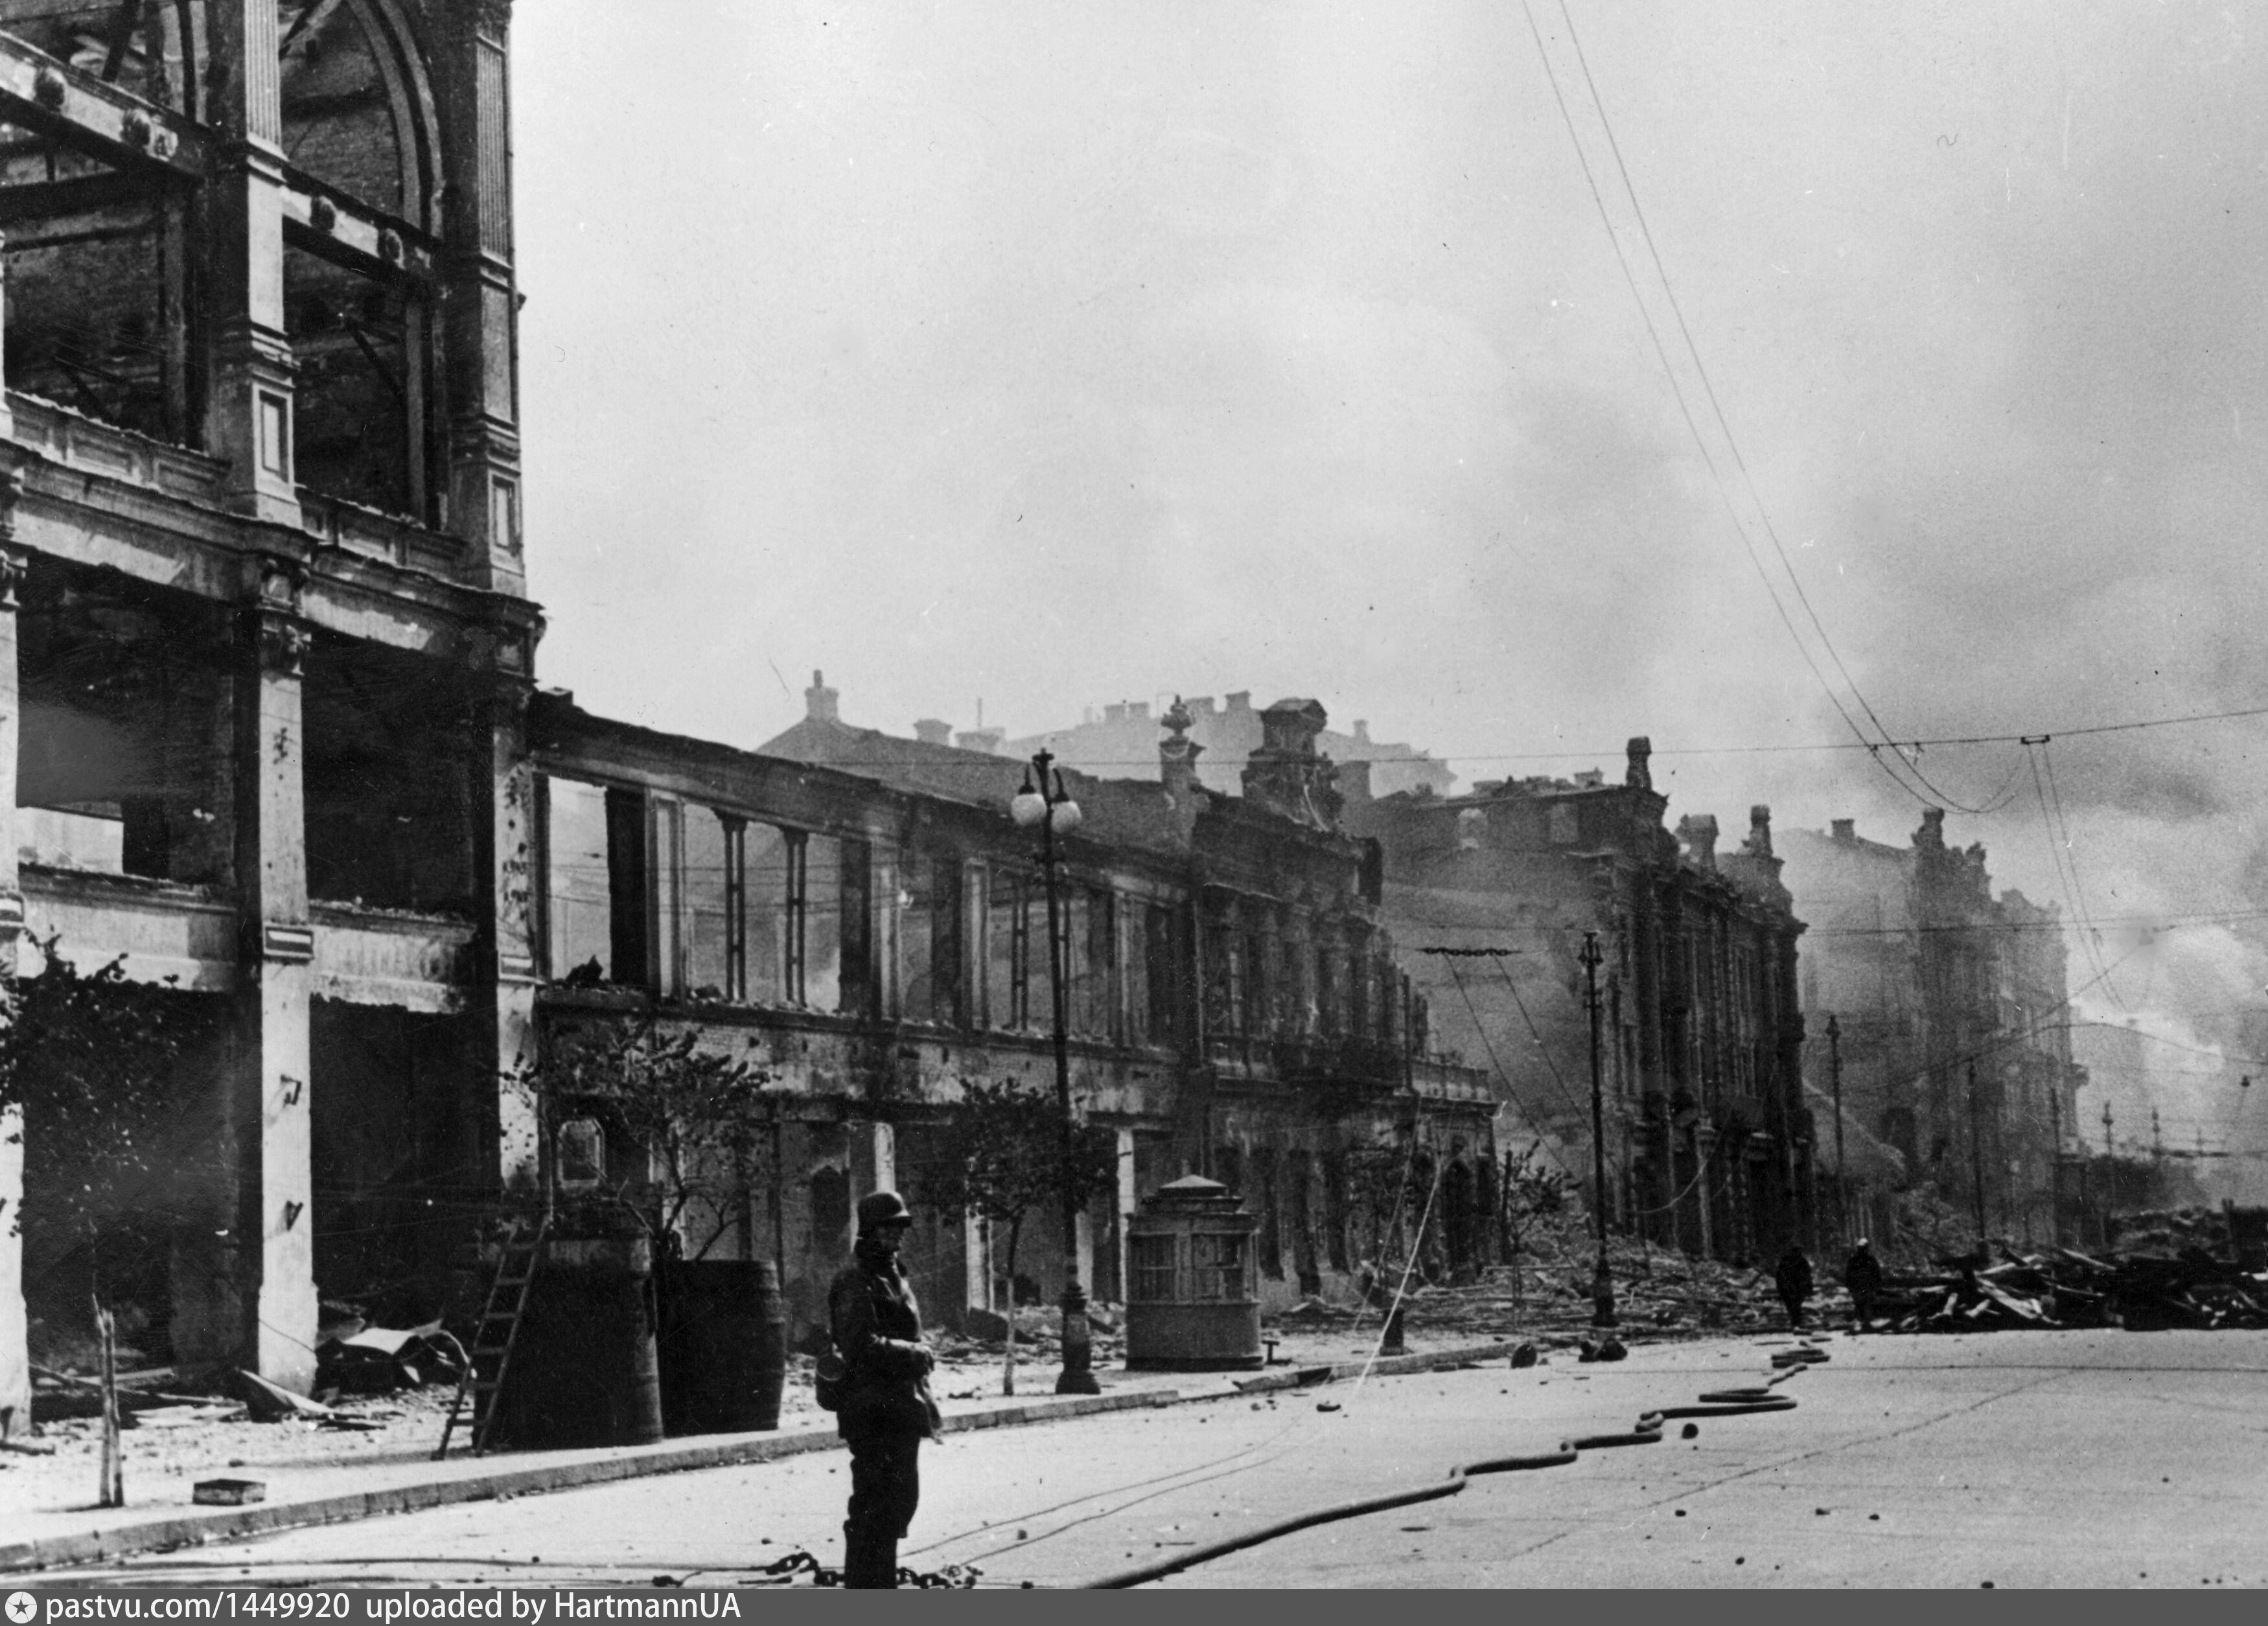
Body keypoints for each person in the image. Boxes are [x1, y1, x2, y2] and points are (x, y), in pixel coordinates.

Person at [828, 1190, 941, 1590]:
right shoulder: (856, 1280)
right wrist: (915, 1353)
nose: (897, 1235)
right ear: (869, 1231)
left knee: (898, 1501)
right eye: (888, 1227)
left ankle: (879, 1584)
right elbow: (859, 1345)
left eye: (901, 1227)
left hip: (900, 1408)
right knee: (875, 1504)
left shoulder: (895, 1274)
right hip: (872, 1408)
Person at [1843, 1238, 1885, 1332]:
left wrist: (1850, 1287)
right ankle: (1864, 1324)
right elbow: (1848, 1275)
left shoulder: (1857, 1260)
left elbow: (1876, 1274)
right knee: (1863, 1305)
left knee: (1863, 1305)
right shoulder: (1864, 1260)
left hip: (1863, 1288)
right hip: (1863, 1288)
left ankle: (1865, 1324)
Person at [1774, 1242, 1815, 1331]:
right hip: (1790, 1288)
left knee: (1795, 1306)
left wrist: (1809, 1288)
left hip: (1795, 1289)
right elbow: (1780, 1276)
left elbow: (1808, 1276)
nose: (1799, 1253)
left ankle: (1796, 1323)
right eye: (1798, 1251)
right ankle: (1796, 1323)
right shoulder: (1789, 1261)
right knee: (1794, 1306)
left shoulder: (1801, 1261)